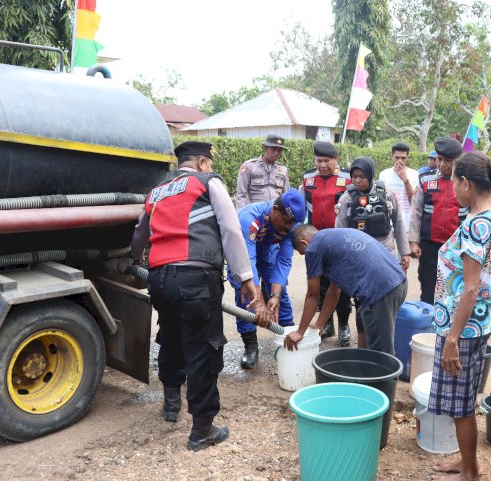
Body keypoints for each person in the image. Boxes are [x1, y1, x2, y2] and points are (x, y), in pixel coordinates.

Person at [130, 141, 258, 451]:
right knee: (202, 349)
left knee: (171, 337)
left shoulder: (157, 191)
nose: (211, 169)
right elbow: (230, 228)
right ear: (202, 162)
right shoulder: (207, 182)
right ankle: (202, 429)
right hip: (196, 280)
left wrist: (134, 261)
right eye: (210, 164)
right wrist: (245, 277)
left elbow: (139, 234)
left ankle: (171, 404)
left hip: (160, 280)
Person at [428, 151, 491, 481]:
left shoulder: (479, 224)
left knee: (461, 406)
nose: (451, 189)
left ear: (466, 183)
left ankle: (471, 476)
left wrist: (451, 339)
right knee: (462, 400)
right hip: (476, 322)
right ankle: (466, 461)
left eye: (453, 182)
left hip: (463, 327)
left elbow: (471, 287)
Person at [284, 225, 408, 356]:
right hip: (398, 282)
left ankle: (384, 375)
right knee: (363, 317)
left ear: (304, 243)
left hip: (380, 292)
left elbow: (313, 295)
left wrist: (300, 332)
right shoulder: (333, 237)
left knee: (382, 354)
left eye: (302, 252)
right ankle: (363, 367)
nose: (305, 256)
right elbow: (334, 291)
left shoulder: (313, 248)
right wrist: (320, 324)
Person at [336, 156, 410, 348]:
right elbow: (340, 231)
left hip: (384, 256)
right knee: (362, 305)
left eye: (362, 176)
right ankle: (363, 349)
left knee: (383, 306)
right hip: (359, 260)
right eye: (354, 176)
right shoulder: (346, 199)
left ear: (370, 175)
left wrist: (405, 253)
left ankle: (381, 346)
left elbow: (399, 223)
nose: (358, 180)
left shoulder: (386, 194)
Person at [227, 190, 306, 369]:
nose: (288, 228)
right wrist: (258, 301)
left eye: (292, 224)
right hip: (243, 255)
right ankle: (250, 346)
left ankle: (288, 335)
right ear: (275, 210)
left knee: (280, 294)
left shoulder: (290, 225)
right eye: (286, 222)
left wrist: (275, 295)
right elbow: (248, 260)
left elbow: (284, 259)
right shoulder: (250, 218)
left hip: (267, 253)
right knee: (246, 296)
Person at [300, 141, 353, 345]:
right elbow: (304, 207)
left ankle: (344, 325)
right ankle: (327, 323)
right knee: (321, 284)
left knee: (341, 284)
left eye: (327, 161)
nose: (322, 165)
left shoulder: (347, 178)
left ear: (336, 159)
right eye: (319, 160)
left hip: (340, 239)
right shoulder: (307, 178)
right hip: (317, 240)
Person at [409, 137, 469, 305]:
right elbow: (415, 213)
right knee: (428, 288)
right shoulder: (426, 181)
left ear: (458, 161)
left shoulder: (466, 182)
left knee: (455, 288)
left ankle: (450, 327)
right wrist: (413, 242)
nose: (442, 164)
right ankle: (428, 326)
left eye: (448, 161)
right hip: (429, 247)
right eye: (439, 159)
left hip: (458, 247)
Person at [235, 134, 290, 209]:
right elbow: (241, 195)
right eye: (273, 149)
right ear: (265, 147)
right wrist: (241, 215)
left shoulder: (283, 170)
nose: (276, 153)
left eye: (279, 150)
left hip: (275, 215)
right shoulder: (249, 167)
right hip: (255, 213)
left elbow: (286, 196)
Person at [378, 143, 419, 227]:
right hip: (388, 224)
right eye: (397, 157)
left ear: (407, 158)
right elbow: (381, 199)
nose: (400, 161)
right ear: (392, 157)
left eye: (403, 158)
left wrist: (406, 181)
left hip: (407, 224)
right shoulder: (384, 174)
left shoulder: (415, 174)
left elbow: (414, 201)